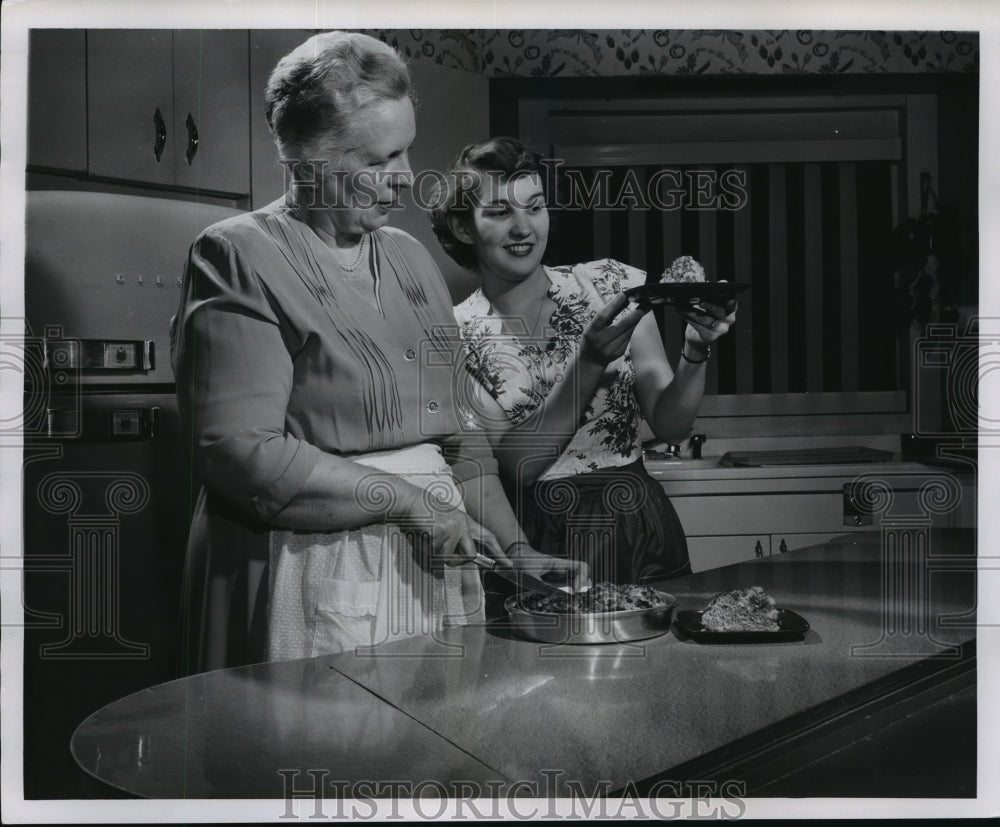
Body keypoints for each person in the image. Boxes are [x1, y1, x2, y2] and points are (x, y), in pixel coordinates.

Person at [170, 35, 586, 672]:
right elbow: (239, 454)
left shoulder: (408, 257)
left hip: (432, 565)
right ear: (308, 163)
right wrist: (410, 502)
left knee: (434, 757)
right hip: (311, 571)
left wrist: (516, 547)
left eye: (407, 148)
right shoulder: (237, 254)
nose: (405, 176)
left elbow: (459, 434)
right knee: (323, 756)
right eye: (380, 159)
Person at [430, 136, 738, 593]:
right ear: (462, 228)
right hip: (540, 536)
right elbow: (519, 466)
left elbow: (672, 426)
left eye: (534, 207)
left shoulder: (608, 284)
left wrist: (696, 350)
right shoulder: (457, 335)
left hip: (638, 521)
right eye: (499, 213)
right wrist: (589, 361)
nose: (523, 228)